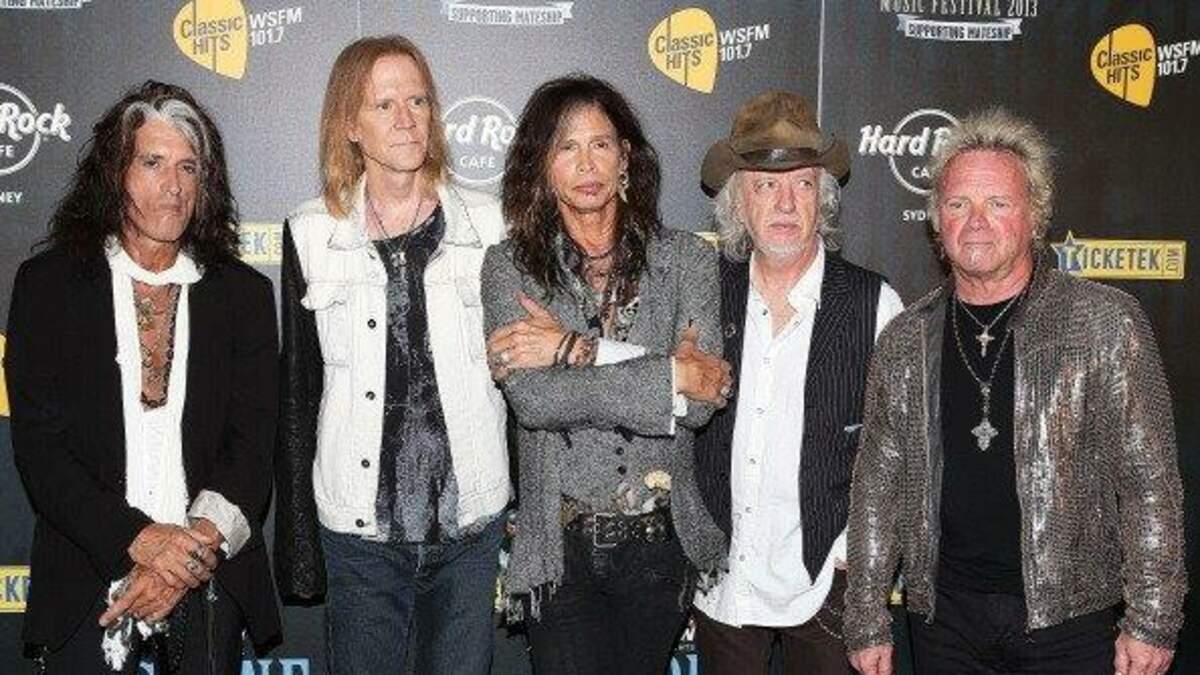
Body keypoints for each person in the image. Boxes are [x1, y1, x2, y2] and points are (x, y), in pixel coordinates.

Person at [844, 108, 1186, 675]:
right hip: (943, 623)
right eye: (958, 204)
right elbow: (878, 486)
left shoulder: (1104, 322)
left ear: (1034, 217)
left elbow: (1149, 483)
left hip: (1071, 621)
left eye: (997, 204)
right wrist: (865, 614)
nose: (976, 222)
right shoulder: (905, 338)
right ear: (937, 221)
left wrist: (1152, 618)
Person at [6, 80, 280, 673]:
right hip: (87, 569)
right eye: (153, 163)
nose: (173, 186)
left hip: (208, 573)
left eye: (188, 167)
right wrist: (140, 540)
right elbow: (42, 451)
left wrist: (181, 561)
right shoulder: (48, 288)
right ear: (116, 174)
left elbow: (252, 448)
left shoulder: (244, 296)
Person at [272, 35, 510, 675]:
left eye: (418, 101)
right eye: (384, 105)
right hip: (359, 533)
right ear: (349, 125)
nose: (407, 119)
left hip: (470, 525)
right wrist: (298, 544)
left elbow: (521, 380)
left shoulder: (493, 225)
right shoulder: (310, 232)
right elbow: (298, 393)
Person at [480, 74, 732, 675]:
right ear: (542, 167)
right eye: (566, 147)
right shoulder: (510, 267)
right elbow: (535, 401)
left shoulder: (688, 259)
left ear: (626, 158)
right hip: (558, 548)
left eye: (600, 144)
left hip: (661, 545)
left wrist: (571, 348)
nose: (587, 164)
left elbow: (700, 400)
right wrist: (666, 377)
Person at [690, 91, 903, 675]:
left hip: (830, 580)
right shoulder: (702, 293)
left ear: (822, 199)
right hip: (725, 577)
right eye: (765, 185)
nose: (786, 202)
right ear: (738, 202)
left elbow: (901, 453)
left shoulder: (875, 304)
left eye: (803, 184)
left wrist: (854, 558)